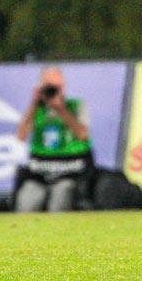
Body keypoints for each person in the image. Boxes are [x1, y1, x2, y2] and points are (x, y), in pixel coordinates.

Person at [14, 68, 93, 212]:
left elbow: (82, 134)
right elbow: (20, 136)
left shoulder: (75, 106)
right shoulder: (37, 109)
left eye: (58, 86)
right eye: (50, 86)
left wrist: (61, 109)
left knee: (61, 194)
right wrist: (33, 104)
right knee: (27, 197)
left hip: (70, 170)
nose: (54, 90)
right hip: (40, 172)